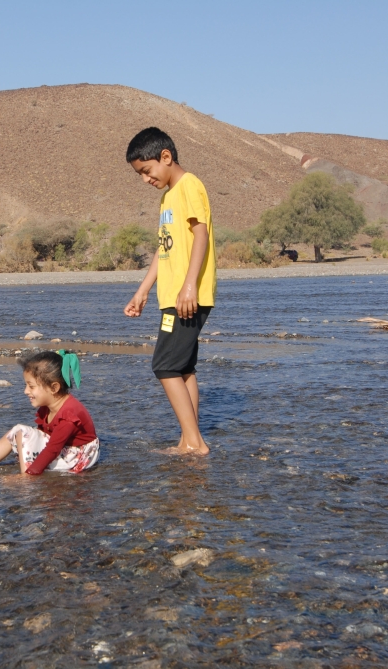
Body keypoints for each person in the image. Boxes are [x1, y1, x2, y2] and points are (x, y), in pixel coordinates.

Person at [123, 127, 217, 457]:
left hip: (186, 297)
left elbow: (201, 235)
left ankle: (195, 442)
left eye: (147, 171)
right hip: (174, 296)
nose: (146, 179)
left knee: (163, 365)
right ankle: (188, 439)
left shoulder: (189, 186)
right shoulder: (168, 197)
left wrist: (189, 285)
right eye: (140, 175)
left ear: (166, 157)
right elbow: (164, 251)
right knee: (183, 369)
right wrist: (143, 291)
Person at [0, 350, 98, 476]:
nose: (25, 391)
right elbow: (44, 435)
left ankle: (27, 478)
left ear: (54, 388)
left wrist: (33, 471)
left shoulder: (69, 415)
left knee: (22, 432)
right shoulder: (49, 405)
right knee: (18, 433)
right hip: (65, 448)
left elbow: (52, 449)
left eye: (31, 386)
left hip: (77, 457)